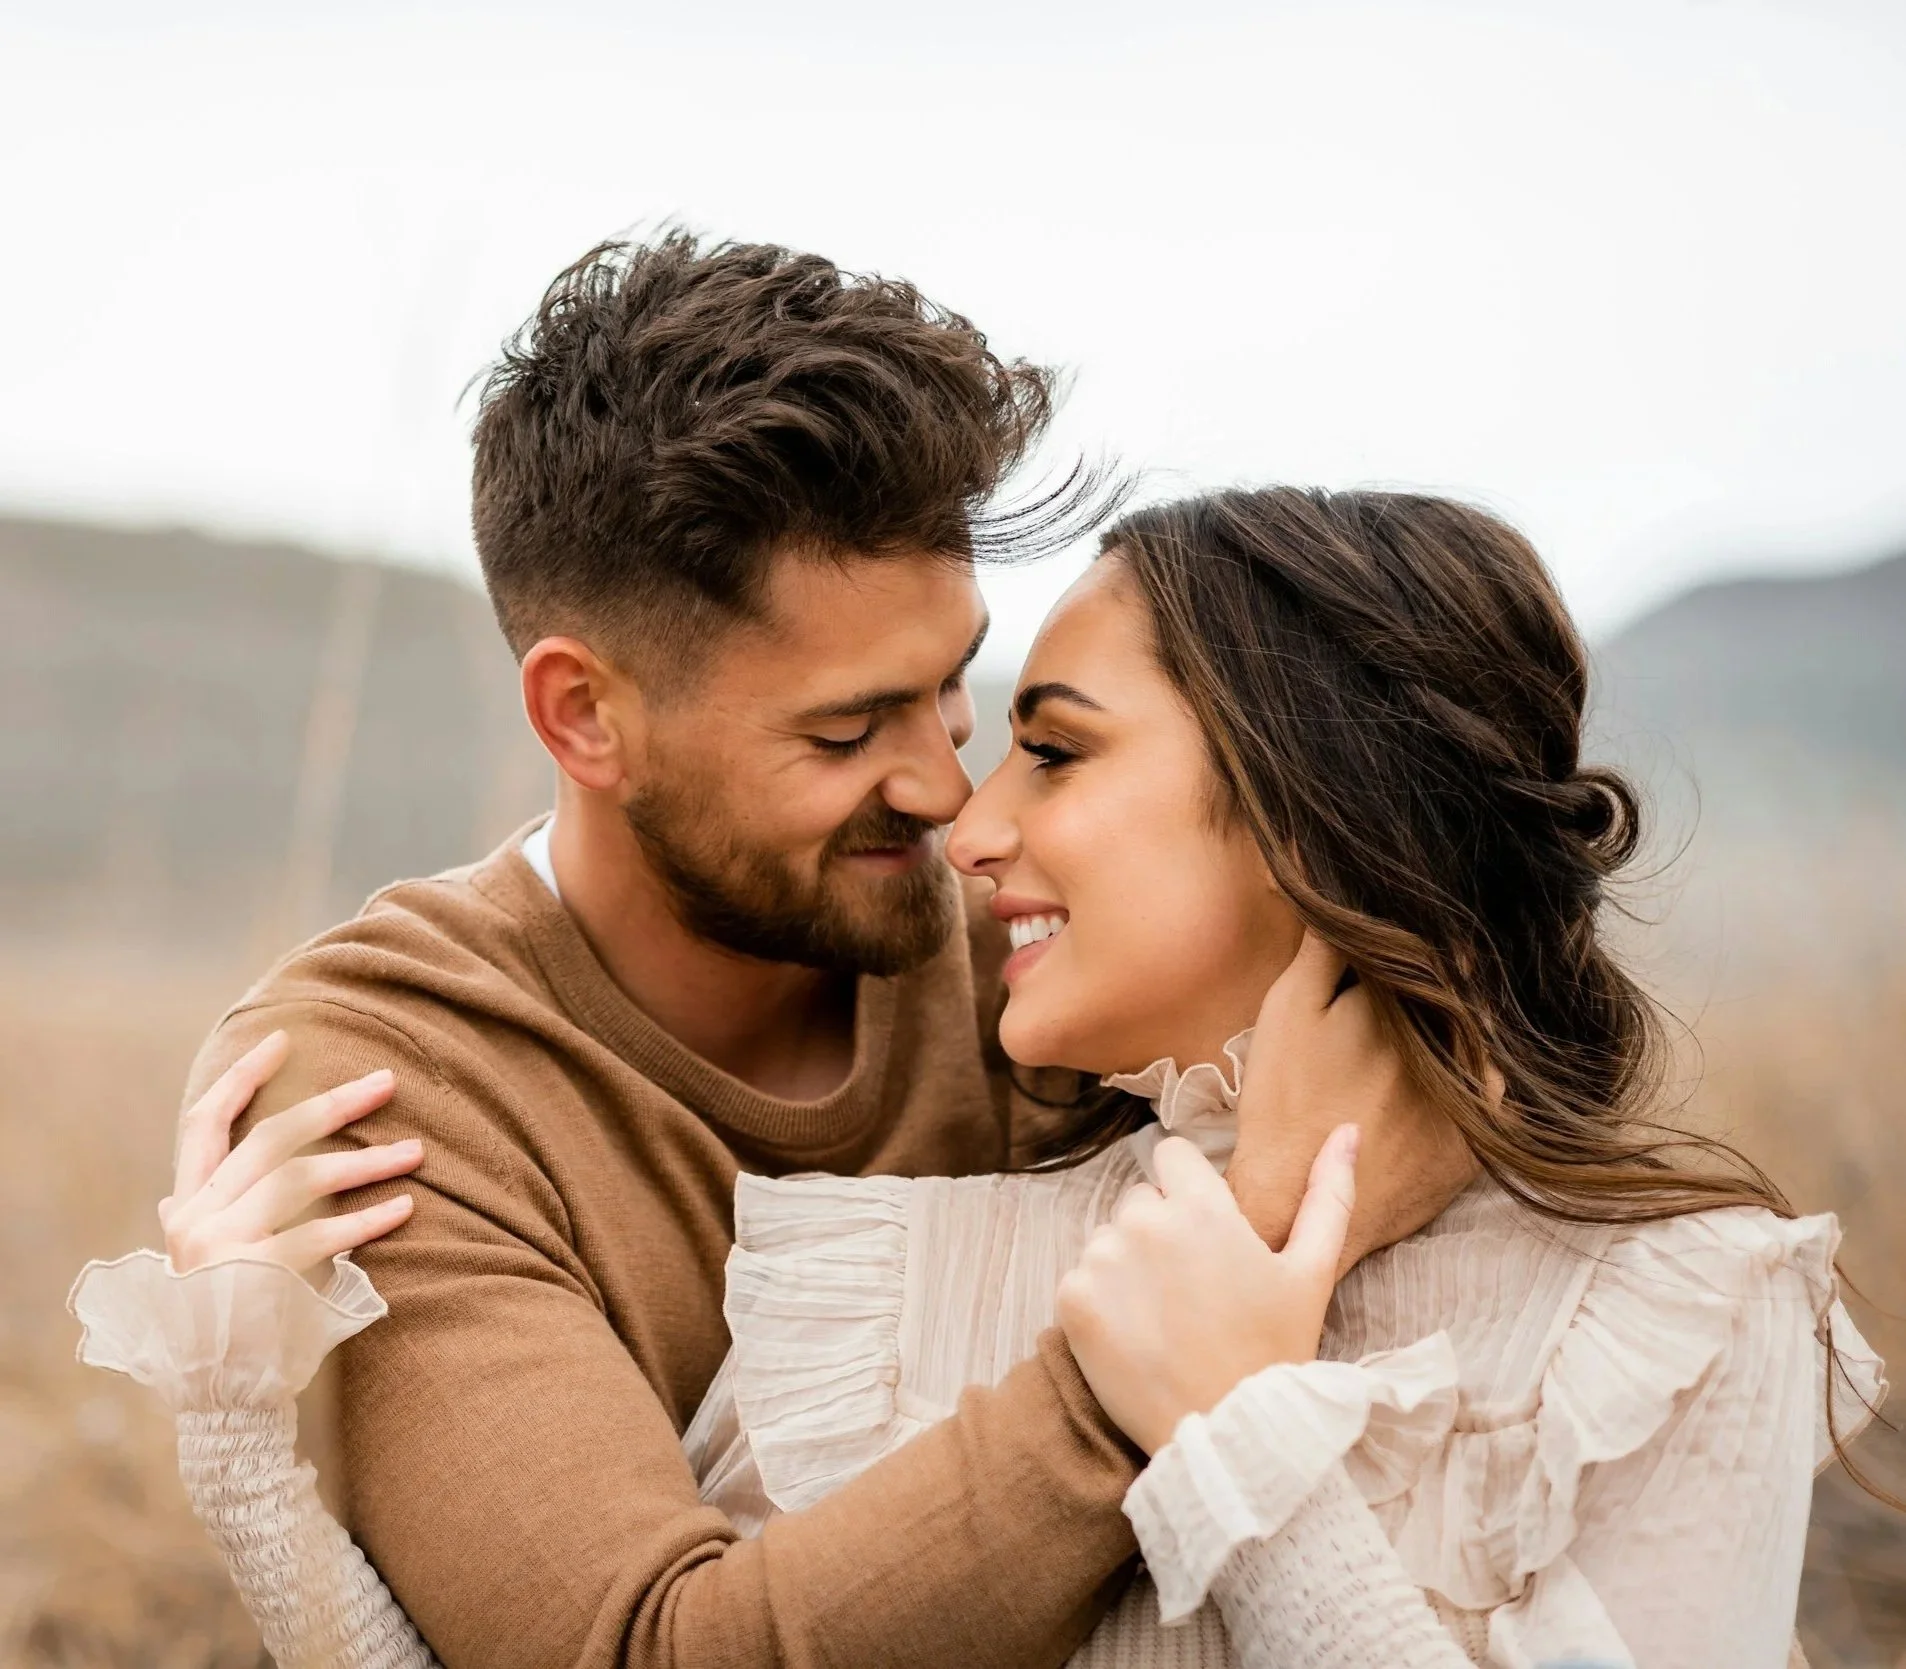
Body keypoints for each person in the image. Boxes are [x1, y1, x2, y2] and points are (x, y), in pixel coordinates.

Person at [76, 484, 1886, 1666]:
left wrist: (1238, 1435)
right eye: (867, 730)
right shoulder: (919, 1262)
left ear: (1303, 807)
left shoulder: (1687, 1310)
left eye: (1032, 739)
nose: (962, 816)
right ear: (583, 716)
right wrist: (244, 1433)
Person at [66, 237, 1466, 1669]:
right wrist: (1147, 1365)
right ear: (585, 717)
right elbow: (641, 1655)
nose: (944, 793)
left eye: (951, 688)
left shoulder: (1039, 950)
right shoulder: (394, 1081)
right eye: (847, 730)